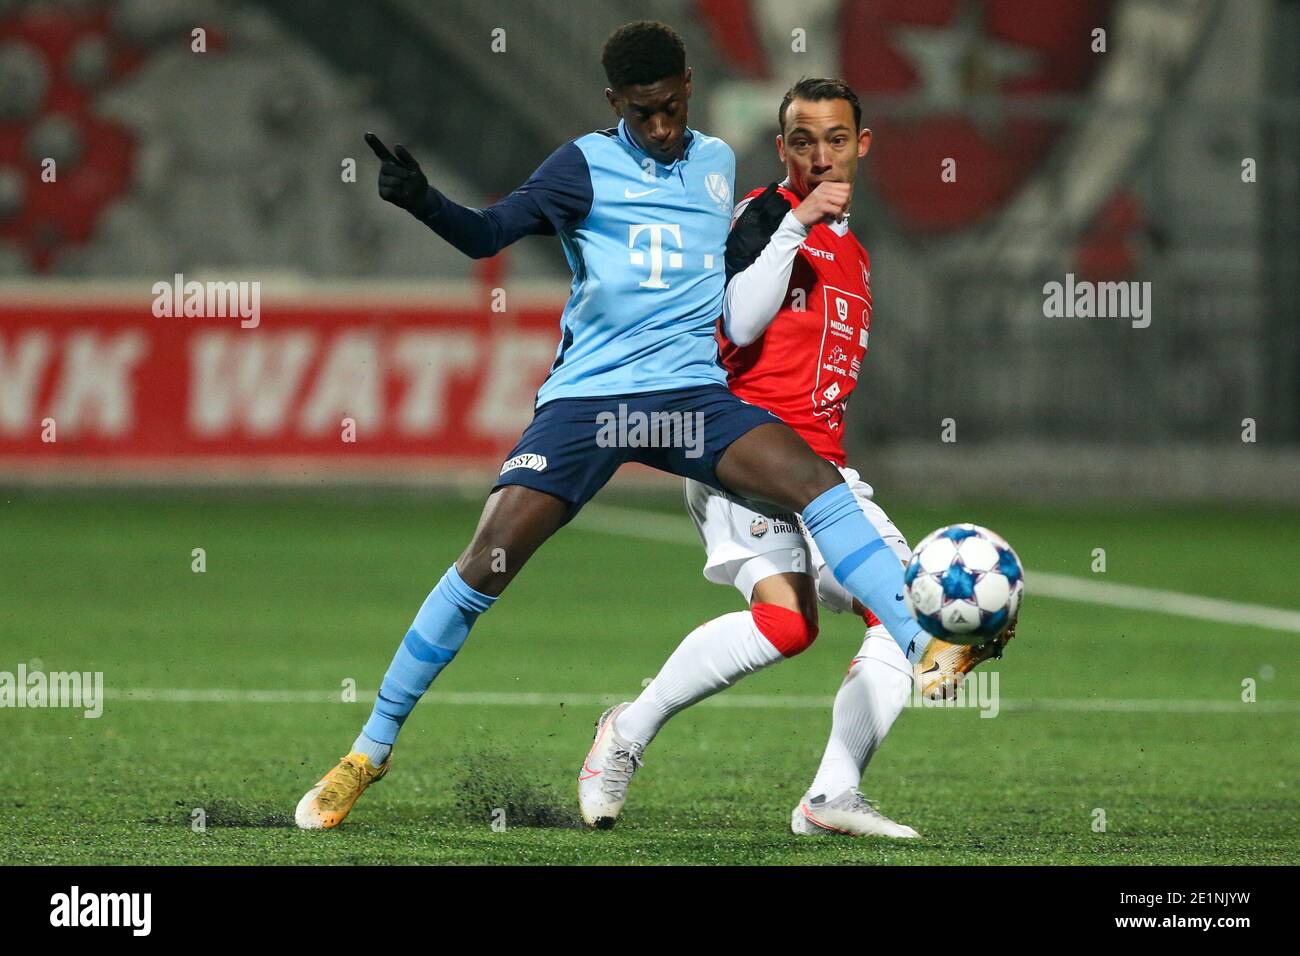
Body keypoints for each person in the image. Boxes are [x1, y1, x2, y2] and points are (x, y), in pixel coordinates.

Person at [296, 24, 935, 831]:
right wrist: (425, 202)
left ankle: (918, 639)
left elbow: (734, 304)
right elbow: (490, 232)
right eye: (642, 114)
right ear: (613, 104)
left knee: (813, 481)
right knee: (486, 564)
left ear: (689, 89)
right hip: (590, 405)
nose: (660, 127)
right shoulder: (581, 166)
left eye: (670, 108)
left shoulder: (716, 165)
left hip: (687, 401)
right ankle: (368, 752)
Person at [577, 78, 1014, 837]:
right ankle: (648, 740)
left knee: (829, 621)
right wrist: (795, 224)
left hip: (820, 472)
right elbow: (738, 327)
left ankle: (809, 789)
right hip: (745, 454)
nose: (821, 155)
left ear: (861, 145)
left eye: (836, 139)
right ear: (783, 149)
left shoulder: (858, 254)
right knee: (852, 614)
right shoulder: (760, 214)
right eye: (803, 142)